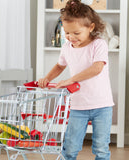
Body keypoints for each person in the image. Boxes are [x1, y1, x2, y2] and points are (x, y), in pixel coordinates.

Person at [38, 0, 114, 159]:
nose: (71, 37)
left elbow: (97, 68)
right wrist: (46, 78)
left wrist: (71, 80)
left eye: (76, 33)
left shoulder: (98, 44)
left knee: (101, 147)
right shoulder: (66, 48)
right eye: (67, 33)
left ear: (91, 27)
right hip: (78, 106)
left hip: (102, 106)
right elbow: (60, 66)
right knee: (70, 146)